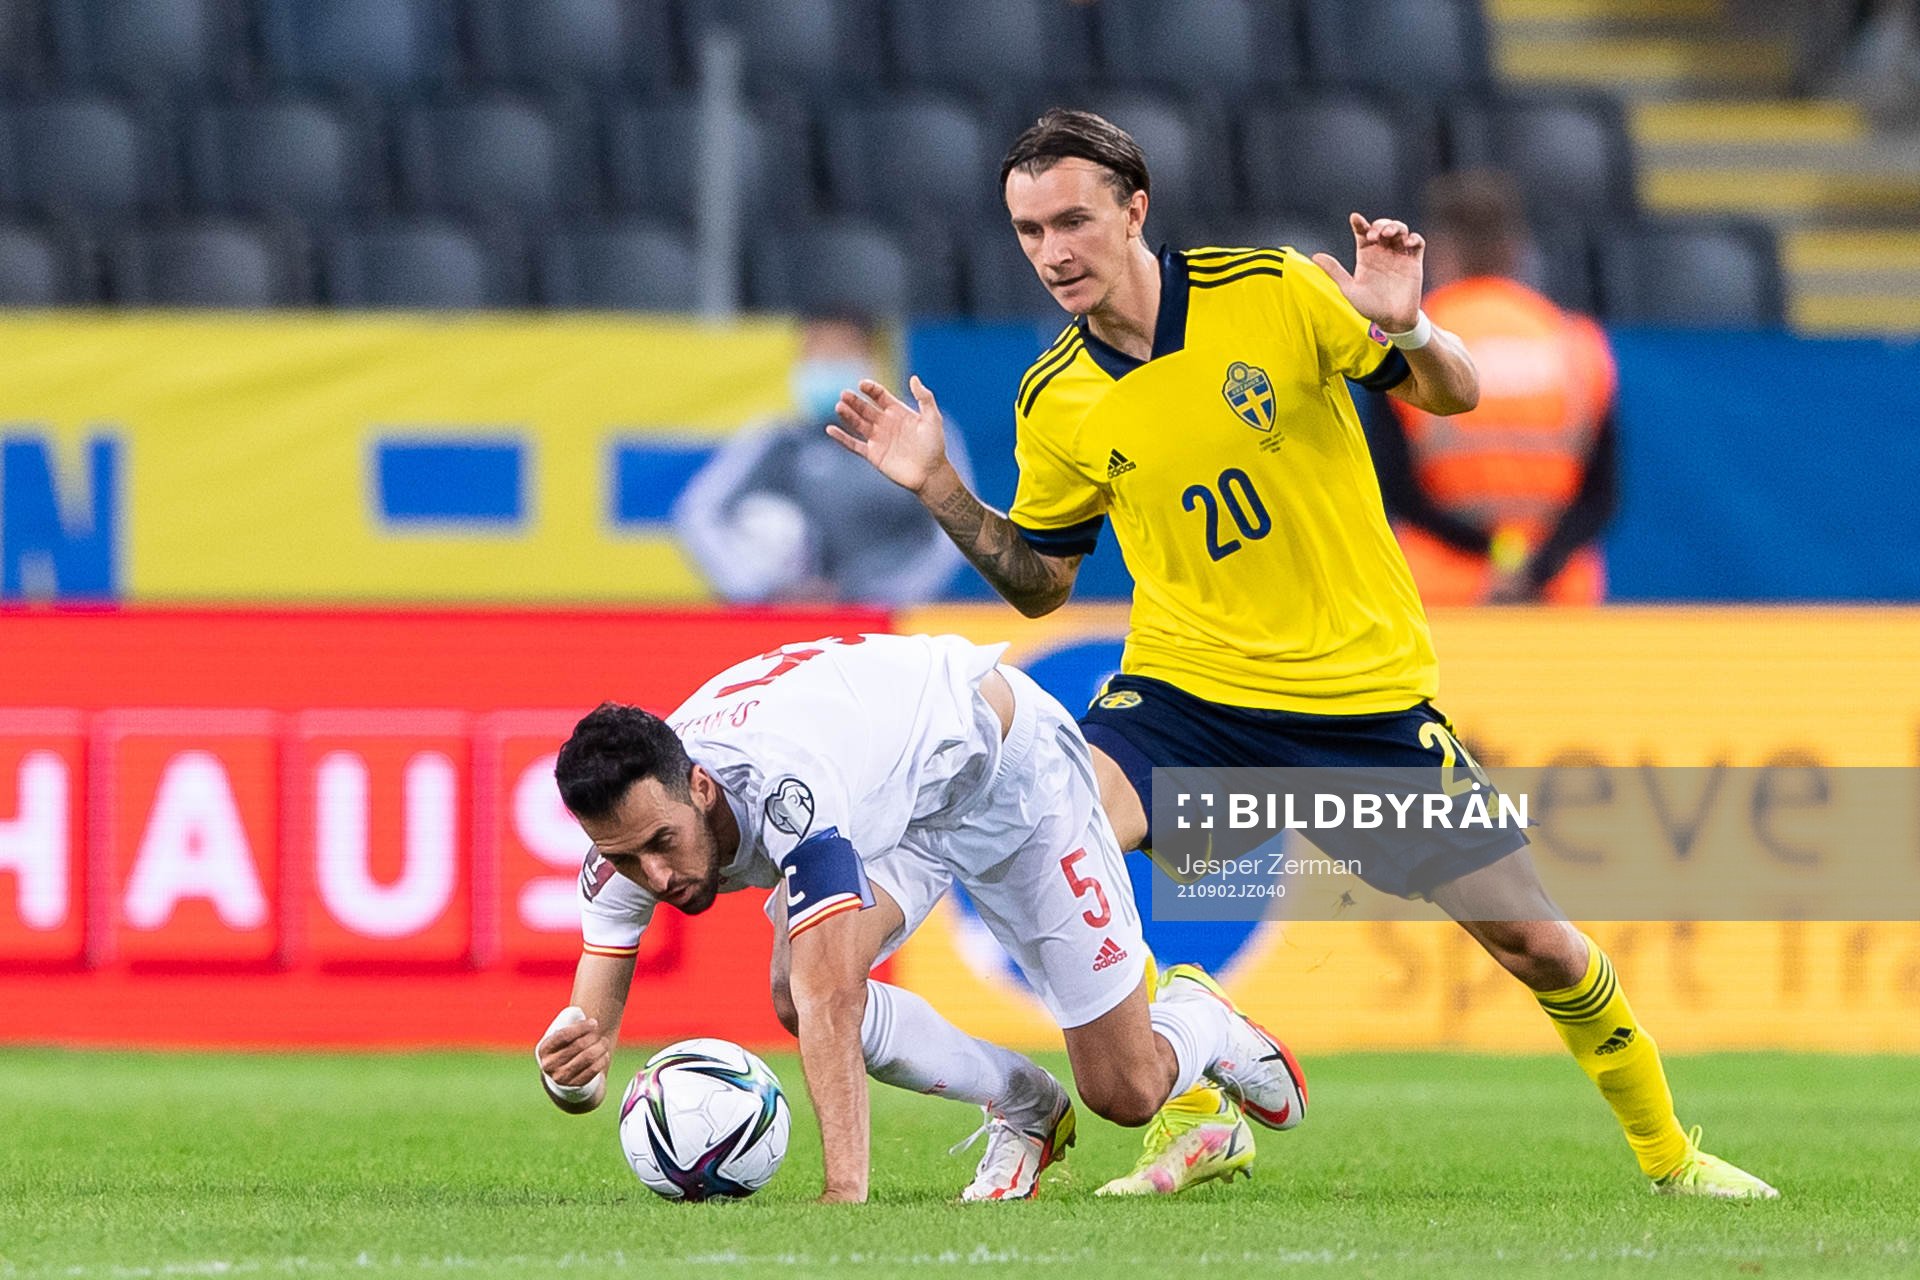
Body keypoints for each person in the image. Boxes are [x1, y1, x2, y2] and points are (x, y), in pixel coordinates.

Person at [828, 109, 1777, 1199]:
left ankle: (1673, 1156)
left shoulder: (1271, 289)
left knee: (1540, 946)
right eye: (1029, 230)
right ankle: (1192, 1103)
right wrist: (944, 490)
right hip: (1186, 694)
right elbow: (1043, 580)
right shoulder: (1056, 397)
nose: (1053, 252)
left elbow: (1452, 392)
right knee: (1051, 835)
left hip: (1362, 704)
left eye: (1074, 220)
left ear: (1137, 210)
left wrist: (1409, 330)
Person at [533, 631, 1305, 1204]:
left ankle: (1202, 1019)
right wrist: (570, 1072)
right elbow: (589, 1057)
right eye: (630, 858)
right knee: (793, 990)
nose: (655, 877)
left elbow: (832, 993)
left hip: (1007, 774)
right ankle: (1026, 1107)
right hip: (895, 800)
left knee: (1128, 1091)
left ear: (700, 788)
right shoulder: (625, 844)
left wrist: (845, 1195)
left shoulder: (786, 785)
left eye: (663, 844)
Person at [1368, 170, 1618, 605]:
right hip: (1559, 595)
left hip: (1447, 593)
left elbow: (1394, 488)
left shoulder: (1405, 344)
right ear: (1518, 250)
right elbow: (1602, 494)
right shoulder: (1577, 343)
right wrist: (1536, 565)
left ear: (1440, 249)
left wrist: (1498, 555)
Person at [674, 314, 964, 605]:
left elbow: (954, 530)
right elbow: (699, 513)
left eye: (838, 354)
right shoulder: (779, 439)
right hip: (797, 619)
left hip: (891, 617)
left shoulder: (919, 432)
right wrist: (759, 592)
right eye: (814, 354)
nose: (825, 365)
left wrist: (884, 599)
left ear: (872, 361)